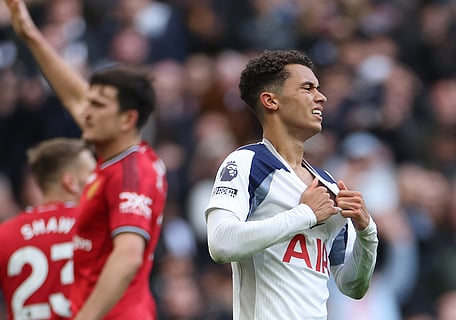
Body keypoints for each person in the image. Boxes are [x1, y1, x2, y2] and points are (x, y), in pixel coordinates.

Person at [6, 0, 168, 319]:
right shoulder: (118, 162)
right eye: (89, 103)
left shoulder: (132, 173)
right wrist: (30, 34)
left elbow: (128, 256)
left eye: (98, 105)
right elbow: (75, 96)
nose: (85, 112)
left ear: (127, 120)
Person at [205, 50, 379, 319]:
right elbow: (221, 243)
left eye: (318, 88)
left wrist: (367, 232)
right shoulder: (248, 163)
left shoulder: (329, 186)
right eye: (307, 88)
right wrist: (304, 215)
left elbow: (352, 285)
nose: (320, 97)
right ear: (271, 100)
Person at [0, 138, 96, 320]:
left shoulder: (5, 233)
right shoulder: (96, 228)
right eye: (92, 174)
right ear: (71, 182)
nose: (98, 181)